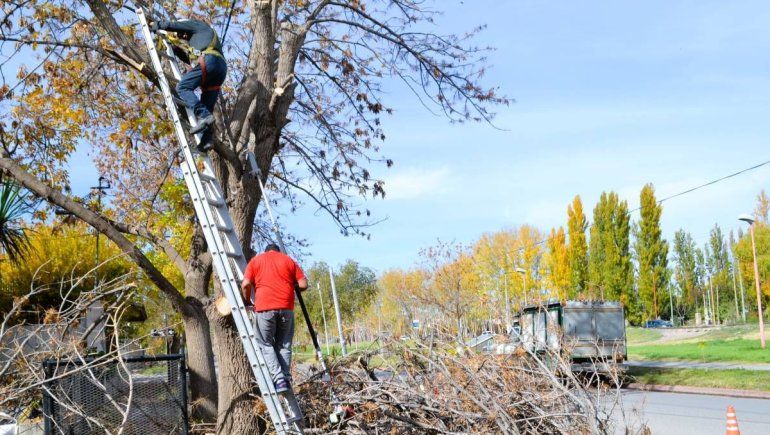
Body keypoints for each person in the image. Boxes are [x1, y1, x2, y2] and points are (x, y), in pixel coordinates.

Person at [150, 19, 226, 152]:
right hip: (219, 69)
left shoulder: (197, 25)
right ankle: (206, 141)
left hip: (210, 61)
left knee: (183, 87)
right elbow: (190, 59)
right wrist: (176, 50)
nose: (183, 37)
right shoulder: (201, 40)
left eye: (182, 34)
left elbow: (174, 25)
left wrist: (157, 25)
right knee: (207, 105)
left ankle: (204, 116)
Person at [241, 243, 307, 392]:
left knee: (264, 343)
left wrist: (246, 301)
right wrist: (291, 287)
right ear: (277, 251)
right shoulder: (288, 260)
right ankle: (285, 378)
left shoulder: (256, 261)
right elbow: (303, 284)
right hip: (286, 308)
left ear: (266, 251)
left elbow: (245, 284)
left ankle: (279, 379)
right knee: (284, 345)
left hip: (265, 308)